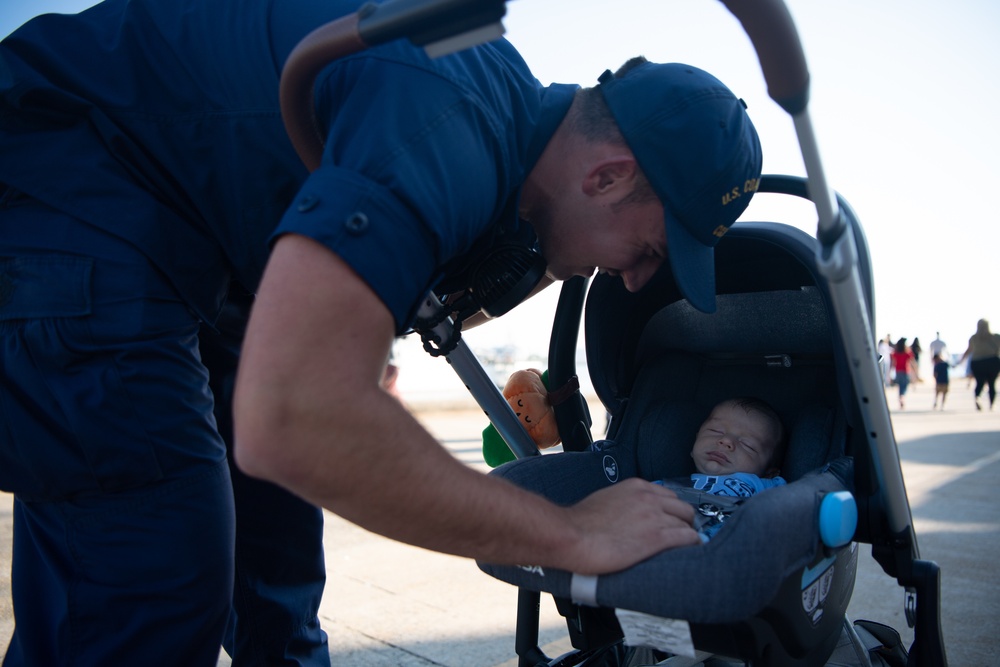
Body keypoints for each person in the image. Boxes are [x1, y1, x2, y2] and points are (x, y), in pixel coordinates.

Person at [0, 0, 763, 664]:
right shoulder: (448, 123)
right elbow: (297, 418)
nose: (635, 279)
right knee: (160, 561)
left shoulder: (495, 135)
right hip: (58, 188)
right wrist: (571, 533)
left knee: (278, 555)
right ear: (606, 177)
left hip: (201, 250)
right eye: (652, 251)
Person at [656, 397, 786, 541]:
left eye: (748, 445)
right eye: (715, 431)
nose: (726, 441)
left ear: (769, 473)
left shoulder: (765, 486)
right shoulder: (665, 487)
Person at [956, 319, 1000, 411]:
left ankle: (978, 397)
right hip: (992, 361)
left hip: (977, 362)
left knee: (979, 382)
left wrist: (960, 361)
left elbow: (968, 351)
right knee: (992, 384)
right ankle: (991, 404)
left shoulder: (974, 338)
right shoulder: (996, 337)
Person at [890, 337, 917, 410]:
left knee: (900, 387)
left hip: (898, 371)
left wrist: (890, 373)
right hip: (905, 371)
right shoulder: (907, 352)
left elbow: (893, 363)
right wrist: (915, 372)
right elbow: (913, 362)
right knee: (904, 387)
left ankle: (901, 398)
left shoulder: (895, 353)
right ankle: (902, 397)